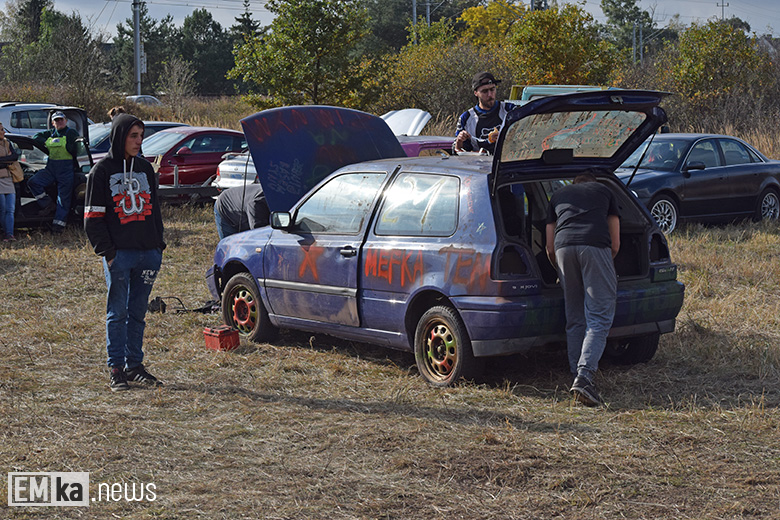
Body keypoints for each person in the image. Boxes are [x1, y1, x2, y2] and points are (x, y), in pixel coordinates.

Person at [84, 113, 166, 392]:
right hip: (119, 256)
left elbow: (155, 211)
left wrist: (159, 246)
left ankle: (135, 366)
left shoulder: (145, 169)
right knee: (116, 313)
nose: (138, 141)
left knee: (138, 313)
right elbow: (92, 218)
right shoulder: (102, 171)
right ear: (120, 136)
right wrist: (108, 253)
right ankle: (116, 368)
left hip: (148, 254)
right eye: (133, 135)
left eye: (141, 136)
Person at [545, 173, 620, 407]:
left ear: (574, 183)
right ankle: (585, 376)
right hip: (595, 245)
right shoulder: (605, 191)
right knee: (599, 316)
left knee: (575, 314)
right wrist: (604, 265)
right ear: (593, 182)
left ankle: (574, 371)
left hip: (562, 248)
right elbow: (615, 242)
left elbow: (548, 245)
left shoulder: (557, 194)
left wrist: (558, 267)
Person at [28, 111, 80, 233]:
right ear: (53, 123)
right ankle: (47, 204)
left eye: (61, 120)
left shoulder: (71, 132)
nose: (59, 122)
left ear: (66, 121)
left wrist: (69, 147)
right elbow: (36, 137)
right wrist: (46, 142)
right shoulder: (51, 133)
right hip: (51, 169)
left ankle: (58, 227)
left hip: (66, 171)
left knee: (63, 199)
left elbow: (77, 148)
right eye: (56, 120)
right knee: (33, 182)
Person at [453, 72, 515, 155]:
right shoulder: (467, 118)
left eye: (492, 89)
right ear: (476, 93)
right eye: (485, 91)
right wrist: (459, 141)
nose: (490, 95)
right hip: (478, 165)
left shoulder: (510, 110)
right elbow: (457, 152)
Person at [0, 122, 19, 241]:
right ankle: (4, 232)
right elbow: (9, 160)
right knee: (2, 209)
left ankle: (10, 234)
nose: (4, 132)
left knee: (10, 209)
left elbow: (14, 157)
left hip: (9, 178)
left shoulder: (7, 143)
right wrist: (7, 161)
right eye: (1, 130)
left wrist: (4, 161)